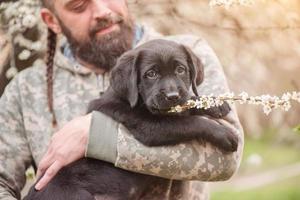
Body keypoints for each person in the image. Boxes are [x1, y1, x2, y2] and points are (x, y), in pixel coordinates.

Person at [0, 0, 244, 199]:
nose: (102, 11)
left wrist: (97, 137)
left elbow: (227, 155)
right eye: (79, 6)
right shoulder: (25, 89)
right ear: (51, 20)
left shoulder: (189, 50)